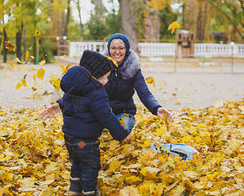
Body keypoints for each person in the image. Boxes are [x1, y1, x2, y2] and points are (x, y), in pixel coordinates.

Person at [41, 33, 173, 131]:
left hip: (123, 112)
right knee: (87, 125)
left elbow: (144, 93)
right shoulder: (99, 66)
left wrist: (157, 108)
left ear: (126, 50)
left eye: (121, 48)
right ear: (109, 49)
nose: (117, 52)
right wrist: (60, 104)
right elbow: (81, 89)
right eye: (113, 48)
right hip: (100, 110)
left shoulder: (134, 69)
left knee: (123, 126)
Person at [59, 49, 131, 196]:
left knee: (77, 162)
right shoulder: (97, 93)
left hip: (69, 139)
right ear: (94, 76)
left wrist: (57, 105)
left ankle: (75, 189)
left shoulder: (74, 89)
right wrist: (121, 134)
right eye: (105, 77)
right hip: (86, 141)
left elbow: (65, 101)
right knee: (90, 166)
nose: (106, 81)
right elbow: (106, 116)